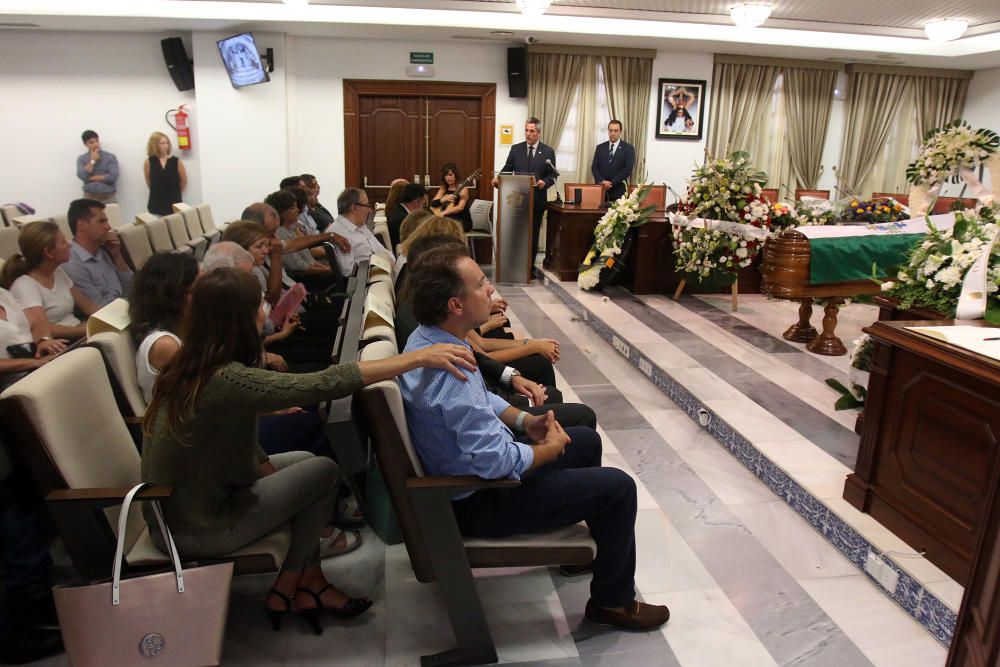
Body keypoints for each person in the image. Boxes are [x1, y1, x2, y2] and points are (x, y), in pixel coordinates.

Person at [140, 267, 476, 634]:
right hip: (197, 527)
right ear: (239, 317)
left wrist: (265, 466)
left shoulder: (195, 363)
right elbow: (321, 383)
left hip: (190, 507)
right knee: (325, 472)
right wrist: (416, 358)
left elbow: (228, 437)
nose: (266, 310)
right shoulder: (224, 379)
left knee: (305, 464)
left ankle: (306, 583)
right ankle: (292, 585)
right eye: (260, 304)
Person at [399, 244, 668, 631]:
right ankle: (613, 602)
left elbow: (482, 398)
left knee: (586, 441)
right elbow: (495, 463)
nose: (490, 289)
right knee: (619, 487)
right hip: (481, 499)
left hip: (477, 483)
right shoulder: (449, 369)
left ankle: (580, 551)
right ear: (456, 305)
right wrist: (546, 449)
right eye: (480, 284)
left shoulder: (430, 342)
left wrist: (525, 421)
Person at [1, 221, 98, 340]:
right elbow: (43, 329)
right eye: (63, 241)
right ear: (49, 252)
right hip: (64, 343)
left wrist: (109, 319)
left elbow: (87, 306)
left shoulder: (57, 272)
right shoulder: (24, 285)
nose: (69, 245)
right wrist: (88, 330)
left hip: (80, 332)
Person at [493, 117, 557, 261]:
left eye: (532, 131)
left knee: (532, 235)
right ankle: (515, 265)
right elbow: (507, 170)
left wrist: (544, 183)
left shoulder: (548, 151)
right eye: (526, 130)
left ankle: (529, 268)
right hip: (517, 200)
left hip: (537, 200)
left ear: (538, 132)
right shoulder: (516, 149)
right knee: (517, 234)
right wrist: (498, 180)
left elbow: (553, 175)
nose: (528, 134)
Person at [62, 198, 133, 307]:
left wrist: (117, 255)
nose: (108, 227)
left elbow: (131, 288)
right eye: (101, 221)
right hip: (108, 316)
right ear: (82, 225)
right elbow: (98, 308)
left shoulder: (103, 250)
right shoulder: (71, 263)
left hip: (124, 307)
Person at [328, 188, 393, 277]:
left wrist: (391, 261)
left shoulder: (361, 226)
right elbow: (348, 271)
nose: (370, 210)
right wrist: (377, 263)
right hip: (366, 283)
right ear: (355, 208)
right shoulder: (338, 233)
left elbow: (382, 250)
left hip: (381, 273)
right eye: (367, 205)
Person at [590, 120, 635, 203]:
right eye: (610, 130)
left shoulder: (628, 148)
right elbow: (594, 167)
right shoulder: (600, 148)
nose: (612, 133)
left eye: (615, 130)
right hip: (601, 191)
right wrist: (602, 181)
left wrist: (611, 183)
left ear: (620, 131)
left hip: (619, 192)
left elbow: (628, 169)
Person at [144, 131, 186, 216]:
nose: (166, 146)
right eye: (162, 143)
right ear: (155, 145)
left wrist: (175, 193)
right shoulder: (148, 162)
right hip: (156, 202)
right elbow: (149, 182)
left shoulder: (176, 161)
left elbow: (184, 181)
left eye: (167, 143)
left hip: (174, 202)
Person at [75, 130, 119, 203]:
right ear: (85, 144)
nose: (96, 144)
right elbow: (82, 176)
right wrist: (92, 161)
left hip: (108, 197)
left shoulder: (110, 157)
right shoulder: (82, 158)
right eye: (91, 142)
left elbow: (112, 177)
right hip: (89, 198)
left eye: (97, 141)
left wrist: (91, 178)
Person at [431, 163, 473, 232]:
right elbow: (433, 203)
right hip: (447, 219)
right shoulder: (443, 188)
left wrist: (444, 213)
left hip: (462, 220)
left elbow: (460, 207)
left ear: (455, 175)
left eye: (450, 175)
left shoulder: (463, 189)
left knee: (441, 227)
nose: (448, 177)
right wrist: (442, 199)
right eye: (446, 175)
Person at [386, 183, 426, 252]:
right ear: (415, 202)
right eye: (423, 204)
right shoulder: (404, 219)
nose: (423, 208)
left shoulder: (397, 211)